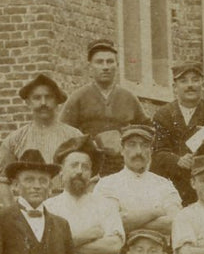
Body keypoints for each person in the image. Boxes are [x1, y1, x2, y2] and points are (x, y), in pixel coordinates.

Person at [44, 136, 126, 254]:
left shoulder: (105, 205)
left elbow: (114, 245)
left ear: (92, 173)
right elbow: (47, 249)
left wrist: (66, 243)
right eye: (73, 165)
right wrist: (89, 235)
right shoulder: (49, 208)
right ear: (61, 172)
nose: (79, 171)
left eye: (85, 167)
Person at [94, 123, 183, 254]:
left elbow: (176, 223)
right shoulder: (107, 184)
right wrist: (156, 212)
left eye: (144, 146)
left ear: (151, 151)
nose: (138, 152)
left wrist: (130, 220)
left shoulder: (164, 184)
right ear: (122, 150)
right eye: (132, 145)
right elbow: (110, 223)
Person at [151, 61, 204, 206]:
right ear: (175, 87)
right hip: (176, 175)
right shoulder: (163, 114)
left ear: (203, 86)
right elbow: (158, 151)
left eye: (195, 80)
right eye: (183, 81)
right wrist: (177, 160)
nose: (190, 85)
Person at [59, 40, 147, 176]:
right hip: (90, 167)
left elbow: (146, 129)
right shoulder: (78, 97)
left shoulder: (129, 97)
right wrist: (90, 143)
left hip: (123, 167)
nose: (105, 67)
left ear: (117, 65)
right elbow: (63, 132)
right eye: (99, 62)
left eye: (110, 62)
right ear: (90, 67)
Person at [0, 72, 82, 177]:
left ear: (57, 101)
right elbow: (5, 179)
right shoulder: (14, 140)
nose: (43, 103)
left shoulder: (74, 136)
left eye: (48, 97)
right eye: (37, 98)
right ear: (28, 103)